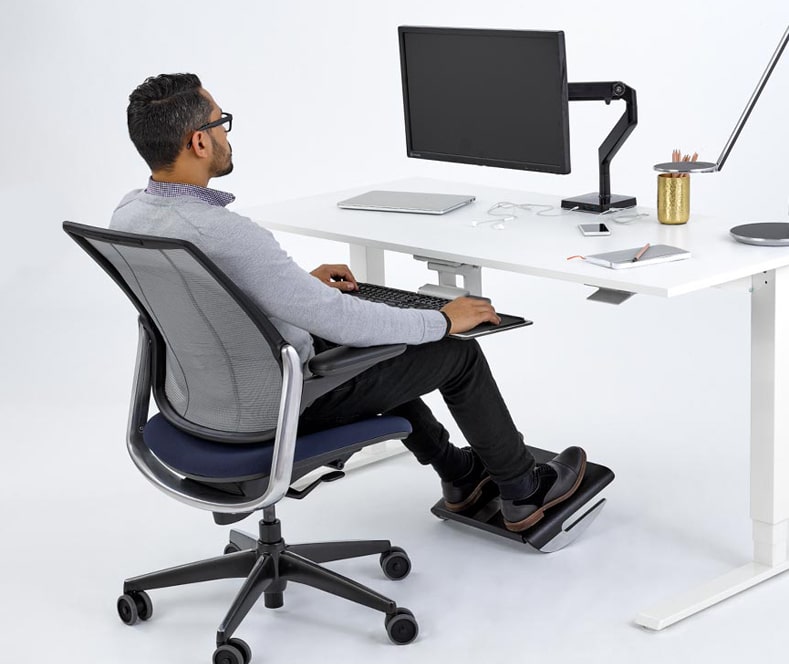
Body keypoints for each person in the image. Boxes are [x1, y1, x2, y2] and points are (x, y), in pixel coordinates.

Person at [111, 72, 587, 533]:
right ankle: (523, 489)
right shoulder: (228, 234)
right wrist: (441, 320)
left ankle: (460, 475)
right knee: (454, 354)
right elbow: (342, 321)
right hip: (276, 407)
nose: (226, 135)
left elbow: (206, 299)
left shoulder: (129, 215)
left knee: (380, 349)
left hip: (199, 401)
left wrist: (293, 285)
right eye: (221, 123)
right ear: (198, 142)